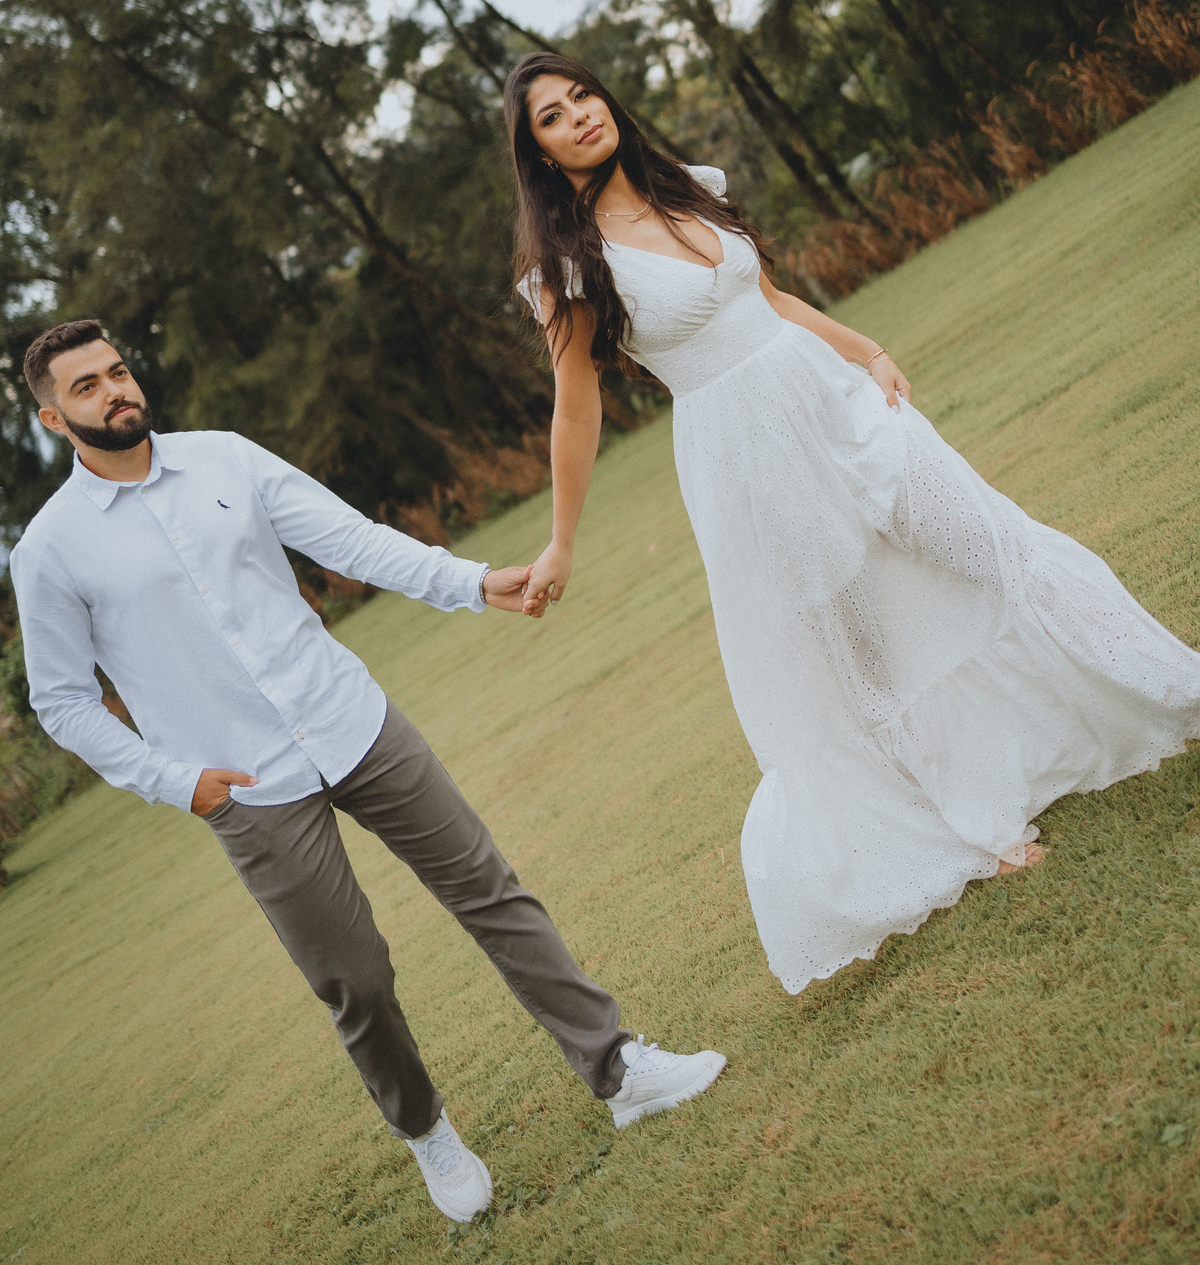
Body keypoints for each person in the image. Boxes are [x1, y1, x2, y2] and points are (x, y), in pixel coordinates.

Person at [504, 51, 1200, 996]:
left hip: (835, 403)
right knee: (858, 651)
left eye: (582, 94)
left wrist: (868, 350)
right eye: (552, 116)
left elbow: (771, 301)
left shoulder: (688, 190)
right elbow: (576, 405)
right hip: (746, 457)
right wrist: (561, 539)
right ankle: (975, 831)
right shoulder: (567, 266)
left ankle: (1148, 685)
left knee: (992, 547)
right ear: (540, 154)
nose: (580, 115)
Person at [11, 319, 725, 1225]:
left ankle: (618, 1069)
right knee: (356, 979)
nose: (116, 390)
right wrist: (175, 780)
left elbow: (350, 541)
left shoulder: (225, 457)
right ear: (52, 418)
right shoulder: (50, 550)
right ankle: (426, 1130)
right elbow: (62, 701)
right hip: (247, 787)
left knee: (492, 892)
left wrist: (472, 582)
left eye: (118, 371)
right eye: (86, 386)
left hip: (352, 719)